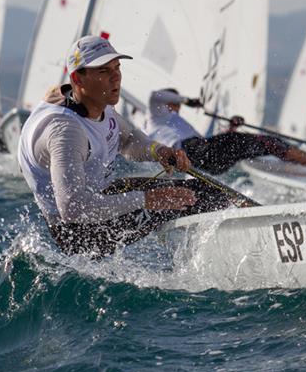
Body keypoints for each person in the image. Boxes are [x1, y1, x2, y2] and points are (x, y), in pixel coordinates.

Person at [18, 35, 232, 257]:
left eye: (117, 67)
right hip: (80, 233)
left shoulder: (98, 103)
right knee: (197, 198)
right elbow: (73, 208)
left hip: (103, 196)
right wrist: (149, 200)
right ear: (78, 80)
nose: (115, 77)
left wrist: (159, 152)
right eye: (103, 71)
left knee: (201, 192)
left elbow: (129, 140)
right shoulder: (66, 132)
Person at [145, 88, 306, 175]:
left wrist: (231, 128)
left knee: (268, 144)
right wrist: (186, 99)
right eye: (175, 103)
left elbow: (209, 146)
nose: (178, 107)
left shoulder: (173, 124)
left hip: (207, 160)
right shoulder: (156, 116)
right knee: (266, 142)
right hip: (192, 154)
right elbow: (155, 95)